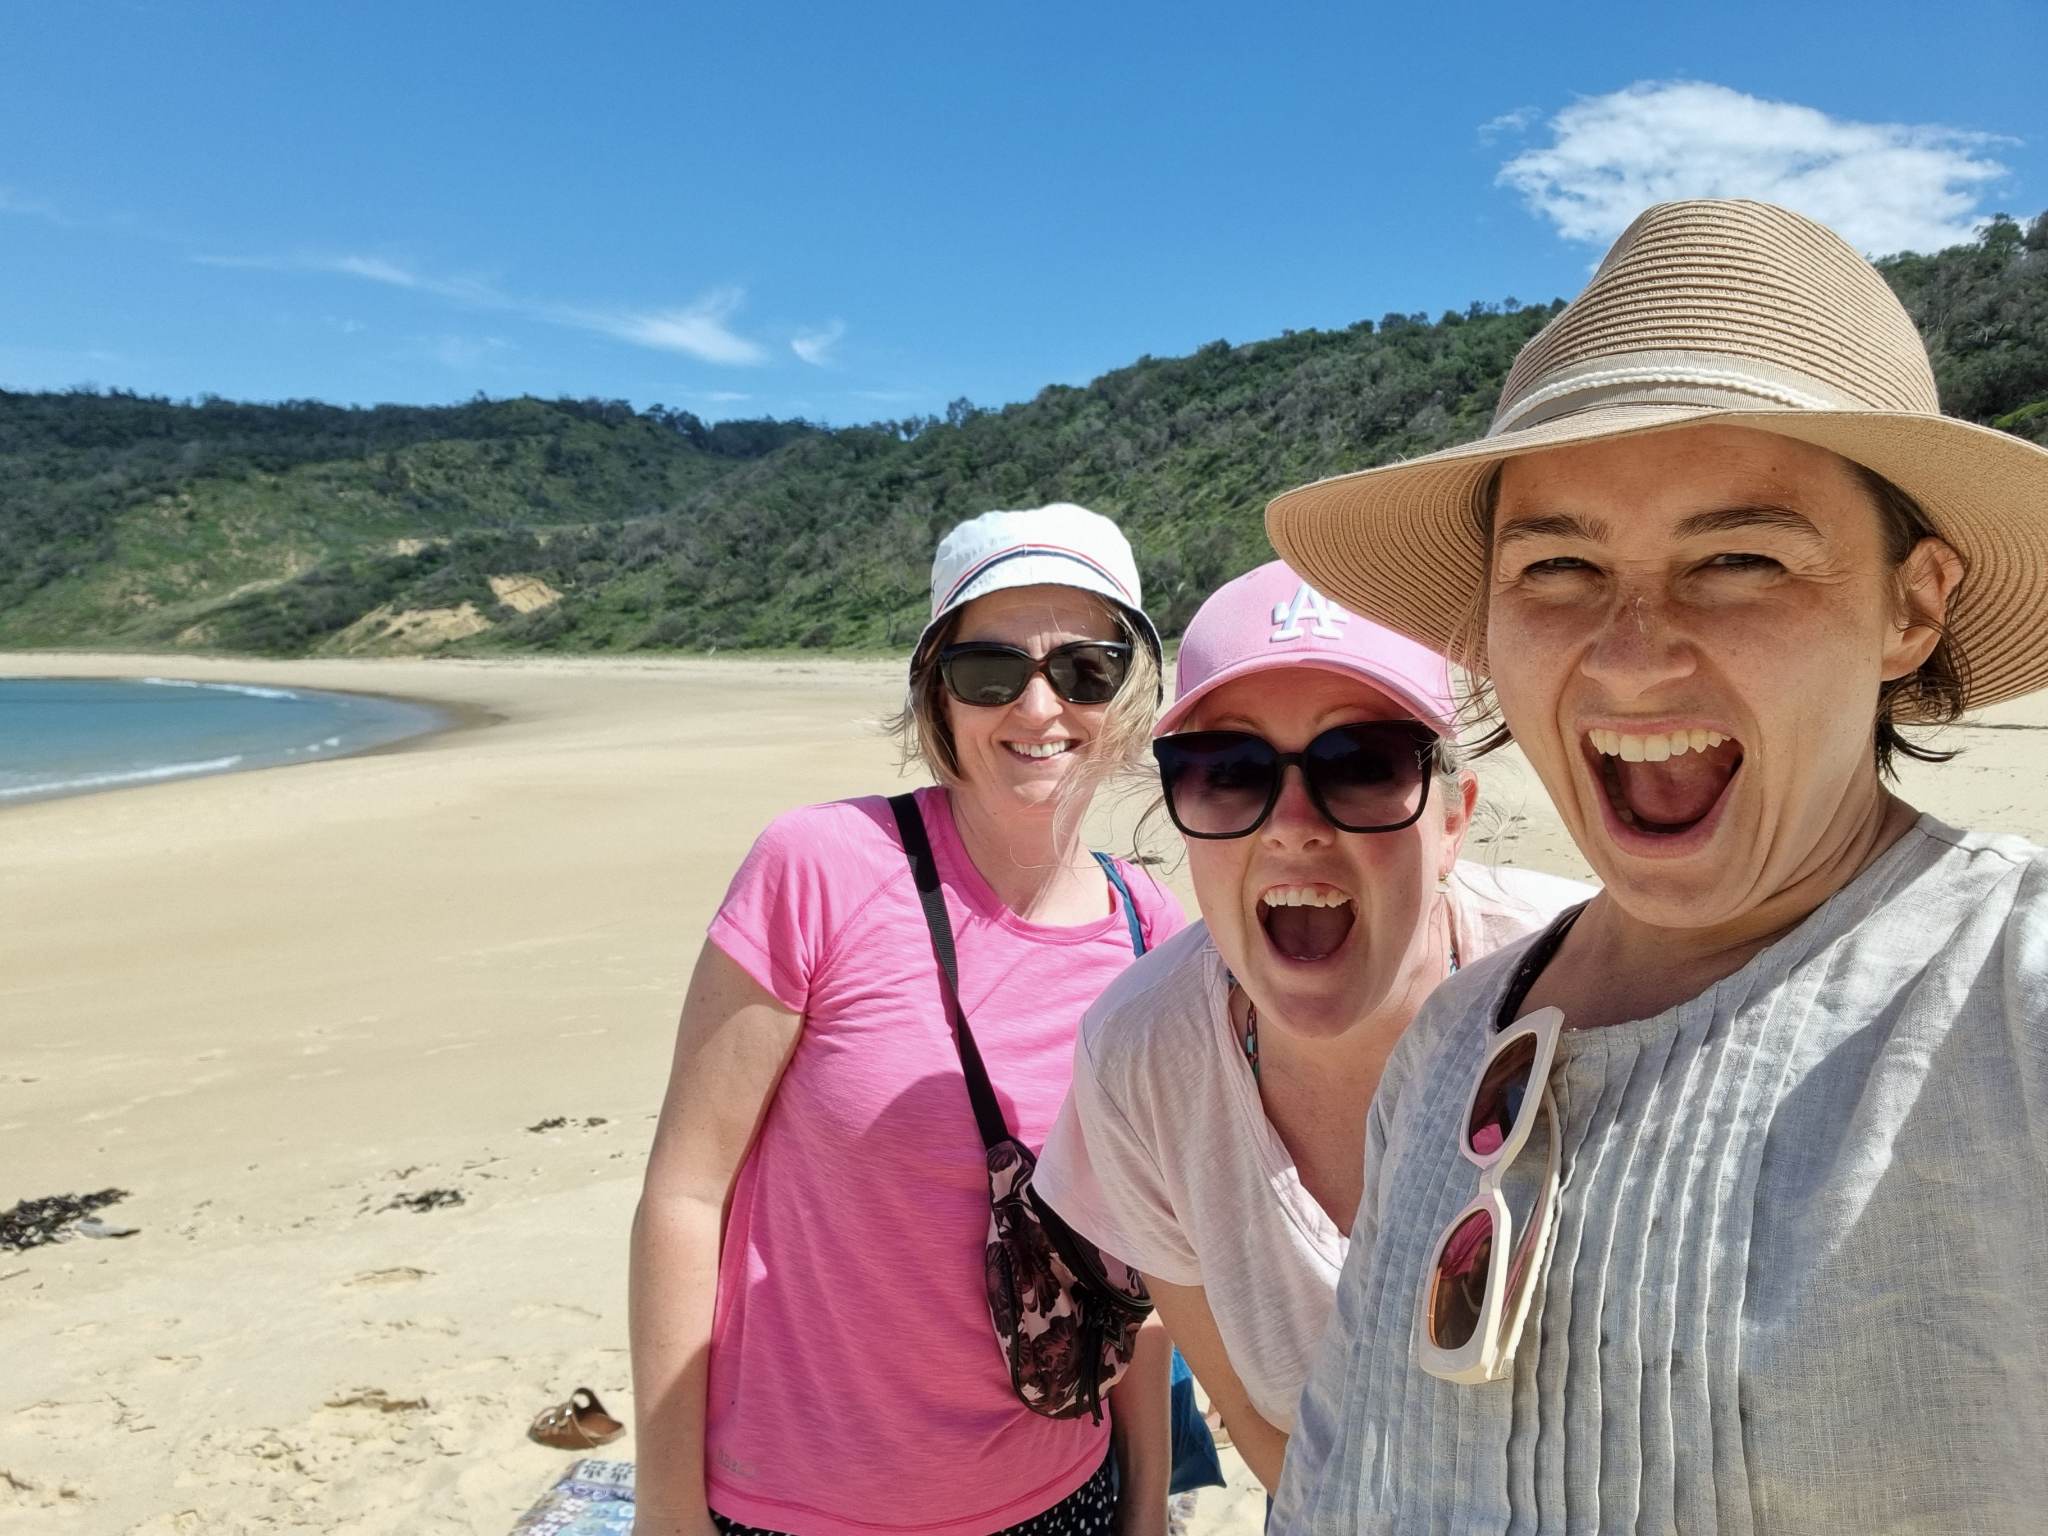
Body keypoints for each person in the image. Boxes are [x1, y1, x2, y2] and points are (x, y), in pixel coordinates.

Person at [1261, 198, 2048, 1532]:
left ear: (1914, 604)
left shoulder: (1999, 998)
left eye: (1740, 559)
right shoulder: (1453, 1040)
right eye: (1558, 568)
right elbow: (1336, 1472)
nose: (1631, 655)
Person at [629, 503, 1185, 1536]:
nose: (1036, 705)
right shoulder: (820, 869)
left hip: (1064, 1494)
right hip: (797, 1507)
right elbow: (684, 1193)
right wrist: (665, 1510)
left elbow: (1138, 1254)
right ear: (936, 690)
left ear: (1131, 691)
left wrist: (1146, 1505)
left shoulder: (1153, 929)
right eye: (988, 670)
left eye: (1083, 669)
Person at [1033, 559, 1590, 1493]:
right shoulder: (1142, 1062)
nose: (1291, 826)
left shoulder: (1598, 989)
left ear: (1453, 818)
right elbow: (1261, 1425)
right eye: (1228, 772)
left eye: (1362, 765)